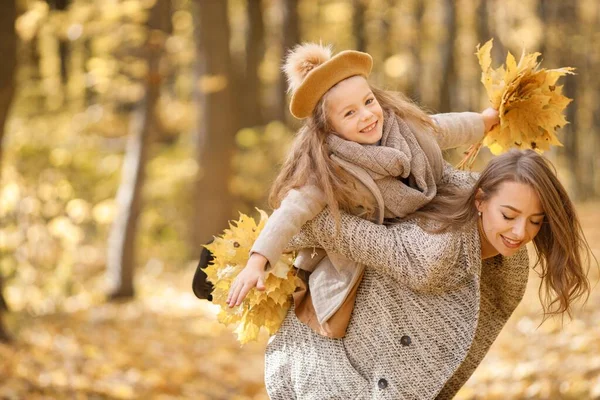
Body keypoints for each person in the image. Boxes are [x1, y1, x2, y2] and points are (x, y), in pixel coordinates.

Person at [264, 149, 593, 399]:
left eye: (536, 221)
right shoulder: (435, 251)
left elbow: (458, 356)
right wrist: (262, 249)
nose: (521, 232)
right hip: (326, 362)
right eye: (509, 215)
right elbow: (331, 226)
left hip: (384, 364)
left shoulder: (511, 267)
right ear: (480, 200)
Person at [225, 42, 499, 338]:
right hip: (366, 249)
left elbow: (443, 127)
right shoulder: (331, 169)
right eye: (349, 113)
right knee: (344, 315)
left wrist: (483, 122)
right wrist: (258, 260)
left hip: (415, 229)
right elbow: (292, 209)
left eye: (369, 102)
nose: (367, 116)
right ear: (329, 128)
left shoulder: (406, 129)